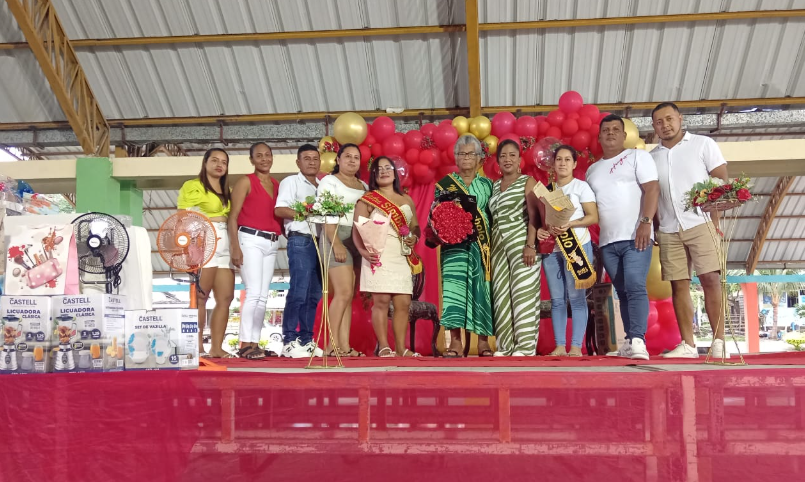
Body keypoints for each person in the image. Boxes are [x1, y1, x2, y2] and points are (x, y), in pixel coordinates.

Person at [650, 102, 729, 359]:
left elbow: (721, 179)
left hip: (701, 223)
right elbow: (651, 195)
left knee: (711, 280)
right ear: (654, 126)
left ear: (680, 119)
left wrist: (714, 217)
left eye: (669, 119)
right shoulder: (651, 157)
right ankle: (688, 345)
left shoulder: (703, 144)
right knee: (678, 285)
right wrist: (654, 227)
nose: (665, 125)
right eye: (659, 122)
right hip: (669, 229)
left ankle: (719, 341)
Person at [585, 115, 659, 360]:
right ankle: (629, 341)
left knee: (635, 285)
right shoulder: (592, 170)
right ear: (599, 136)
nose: (610, 133)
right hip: (608, 241)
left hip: (636, 235)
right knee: (623, 291)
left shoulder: (637, 157)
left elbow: (652, 188)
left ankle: (639, 340)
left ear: (624, 135)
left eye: (616, 129)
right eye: (606, 130)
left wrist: (646, 222)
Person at [353, 157, 421, 357]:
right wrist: (363, 252)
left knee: (403, 303)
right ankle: (383, 346)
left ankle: (400, 348)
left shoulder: (406, 199)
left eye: (387, 168)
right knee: (381, 301)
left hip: (401, 255)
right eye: (379, 169)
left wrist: (414, 237)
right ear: (373, 175)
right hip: (378, 255)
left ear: (394, 172)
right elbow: (357, 230)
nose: (383, 171)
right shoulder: (368, 199)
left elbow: (415, 226)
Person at [434, 134, 494, 357]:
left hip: (482, 247)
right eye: (461, 153)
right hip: (454, 249)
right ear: (455, 158)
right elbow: (436, 214)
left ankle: (483, 342)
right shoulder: (444, 185)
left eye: (471, 153)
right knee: (454, 291)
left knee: (482, 290)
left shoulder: (488, 185)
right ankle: (455, 342)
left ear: (479, 158)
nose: (466, 157)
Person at [537, 145, 599, 357]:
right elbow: (540, 220)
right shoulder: (547, 191)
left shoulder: (581, 187)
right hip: (552, 249)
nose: (562, 163)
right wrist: (541, 231)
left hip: (576, 246)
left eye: (567, 159)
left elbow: (593, 217)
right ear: (553, 164)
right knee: (557, 299)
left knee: (576, 297)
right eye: (559, 159)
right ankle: (559, 346)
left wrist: (571, 224)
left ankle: (576, 346)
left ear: (574, 164)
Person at [177, 148, 235, 358]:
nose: (219, 165)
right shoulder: (192, 186)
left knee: (226, 297)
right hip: (203, 240)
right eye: (215, 160)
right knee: (201, 297)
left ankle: (216, 347)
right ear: (205, 162)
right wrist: (219, 218)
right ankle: (197, 346)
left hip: (225, 243)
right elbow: (185, 215)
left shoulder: (227, 189)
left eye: (224, 162)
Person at [227, 142, 281, 360]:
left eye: (267, 155)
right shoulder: (245, 181)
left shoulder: (276, 184)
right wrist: (235, 247)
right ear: (251, 160)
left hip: (272, 242)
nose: (264, 159)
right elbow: (232, 217)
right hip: (250, 239)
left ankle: (255, 343)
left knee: (263, 296)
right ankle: (245, 344)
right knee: (253, 293)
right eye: (259, 156)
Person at [488, 139, 541, 356]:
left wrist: (530, 245)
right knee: (501, 295)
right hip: (498, 247)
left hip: (521, 242)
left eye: (512, 155)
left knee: (523, 293)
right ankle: (505, 346)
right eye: (503, 156)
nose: (507, 159)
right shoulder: (493, 186)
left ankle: (525, 348)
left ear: (520, 160)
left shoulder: (528, 181)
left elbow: (535, 216)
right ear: (498, 161)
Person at [275, 145, 325, 358]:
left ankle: (306, 340)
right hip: (301, 239)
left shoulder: (323, 185)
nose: (312, 162)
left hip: (321, 242)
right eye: (307, 158)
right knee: (299, 290)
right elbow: (280, 209)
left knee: (314, 294)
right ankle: (289, 340)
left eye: (315, 158)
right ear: (298, 162)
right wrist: (306, 213)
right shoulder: (291, 181)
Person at [318, 143, 368, 357]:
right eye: (347, 156)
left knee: (349, 295)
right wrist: (336, 242)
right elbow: (326, 213)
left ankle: (344, 346)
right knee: (343, 292)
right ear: (338, 160)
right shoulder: (329, 181)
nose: (352, 160)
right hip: (335, 235)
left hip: (358, 238)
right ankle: (330, 345)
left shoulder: (364, 185)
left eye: (356, 157)